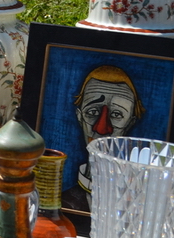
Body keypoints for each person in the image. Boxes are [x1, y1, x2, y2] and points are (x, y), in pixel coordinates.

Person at [61, 65, 145, 213]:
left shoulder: (138, 209)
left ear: (130, 123)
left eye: (117, 114)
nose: (101, 128)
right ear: (80, 117)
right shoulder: (62, 202)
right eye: (92, 112)